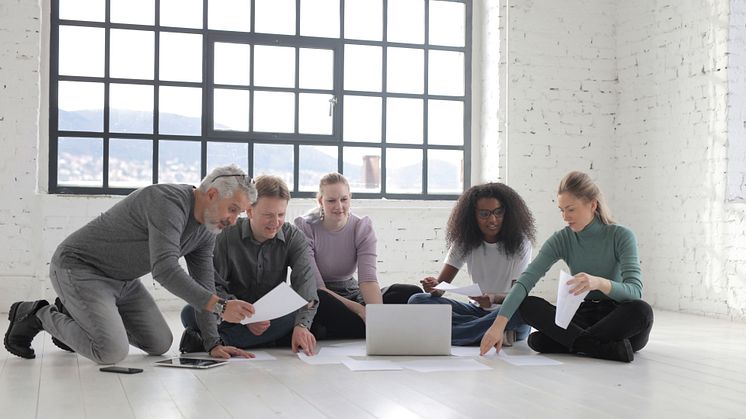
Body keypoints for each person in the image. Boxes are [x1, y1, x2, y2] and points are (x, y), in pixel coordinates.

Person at [4, 165, 258, 364]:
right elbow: (165, 268)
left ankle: (74, 313)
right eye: (233, 209)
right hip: (79, 268)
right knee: (110, 351)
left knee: (159, 344)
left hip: (123, 281)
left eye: (240, 214)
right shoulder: (167, 202)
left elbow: (204, 286)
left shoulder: (207, 229)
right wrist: (221, 306)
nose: (234, 221)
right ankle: (37, 314)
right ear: (212, 194)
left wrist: (213, 343)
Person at [479, 171, 654, 362]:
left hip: (617, 318)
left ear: (592, 204)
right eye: (561, 210)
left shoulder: (621, 236)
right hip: (581, 315)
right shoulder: (562, 239)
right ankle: (603, 348)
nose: (565, 217)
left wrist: (598, 283)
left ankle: (575, 343)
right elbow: (525, 280)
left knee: (642, 311)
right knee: (527, 305)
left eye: (570, 209)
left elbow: (635, 291)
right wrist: (498, 325)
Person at [180, 175, 319, 356]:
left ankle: (217, 341)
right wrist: (244, 317)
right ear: (250, 211)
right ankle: (264, 339)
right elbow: (212, 285)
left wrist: (301, 326)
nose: (275, 222)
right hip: (232, 312)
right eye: (268, 215)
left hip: (272, 315)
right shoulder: (225, 236)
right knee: (189, 312)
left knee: (298, 316)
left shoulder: (294, 237)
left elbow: (306, 286)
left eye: (281, 214)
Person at [294, 173, 422, 339]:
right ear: (320, 201)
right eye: (331, 200)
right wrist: (360, 310)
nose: (338, 206)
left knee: (411, 294)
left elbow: (368, 280)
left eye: (344, 199)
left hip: (352, 291)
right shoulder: (306, 227)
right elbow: (318, 287)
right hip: (323, 295)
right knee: (321, 300)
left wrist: (377, 316)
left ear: (350, 198)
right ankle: (361, 327)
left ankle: (346, 330)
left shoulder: (361, 226)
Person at [408, 183, 536, 346]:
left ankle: (451, 333)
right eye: (484, 214)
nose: (492, 219)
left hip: (505, 313)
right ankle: (489, 333)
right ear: (472, 216)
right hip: (475, 311)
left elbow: (517, 295)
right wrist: (433, 287)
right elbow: (440, 289)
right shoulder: (464, 242)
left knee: (524, 310)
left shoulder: (520, 243)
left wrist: (493, 298)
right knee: (417, 300)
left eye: (498, 212)